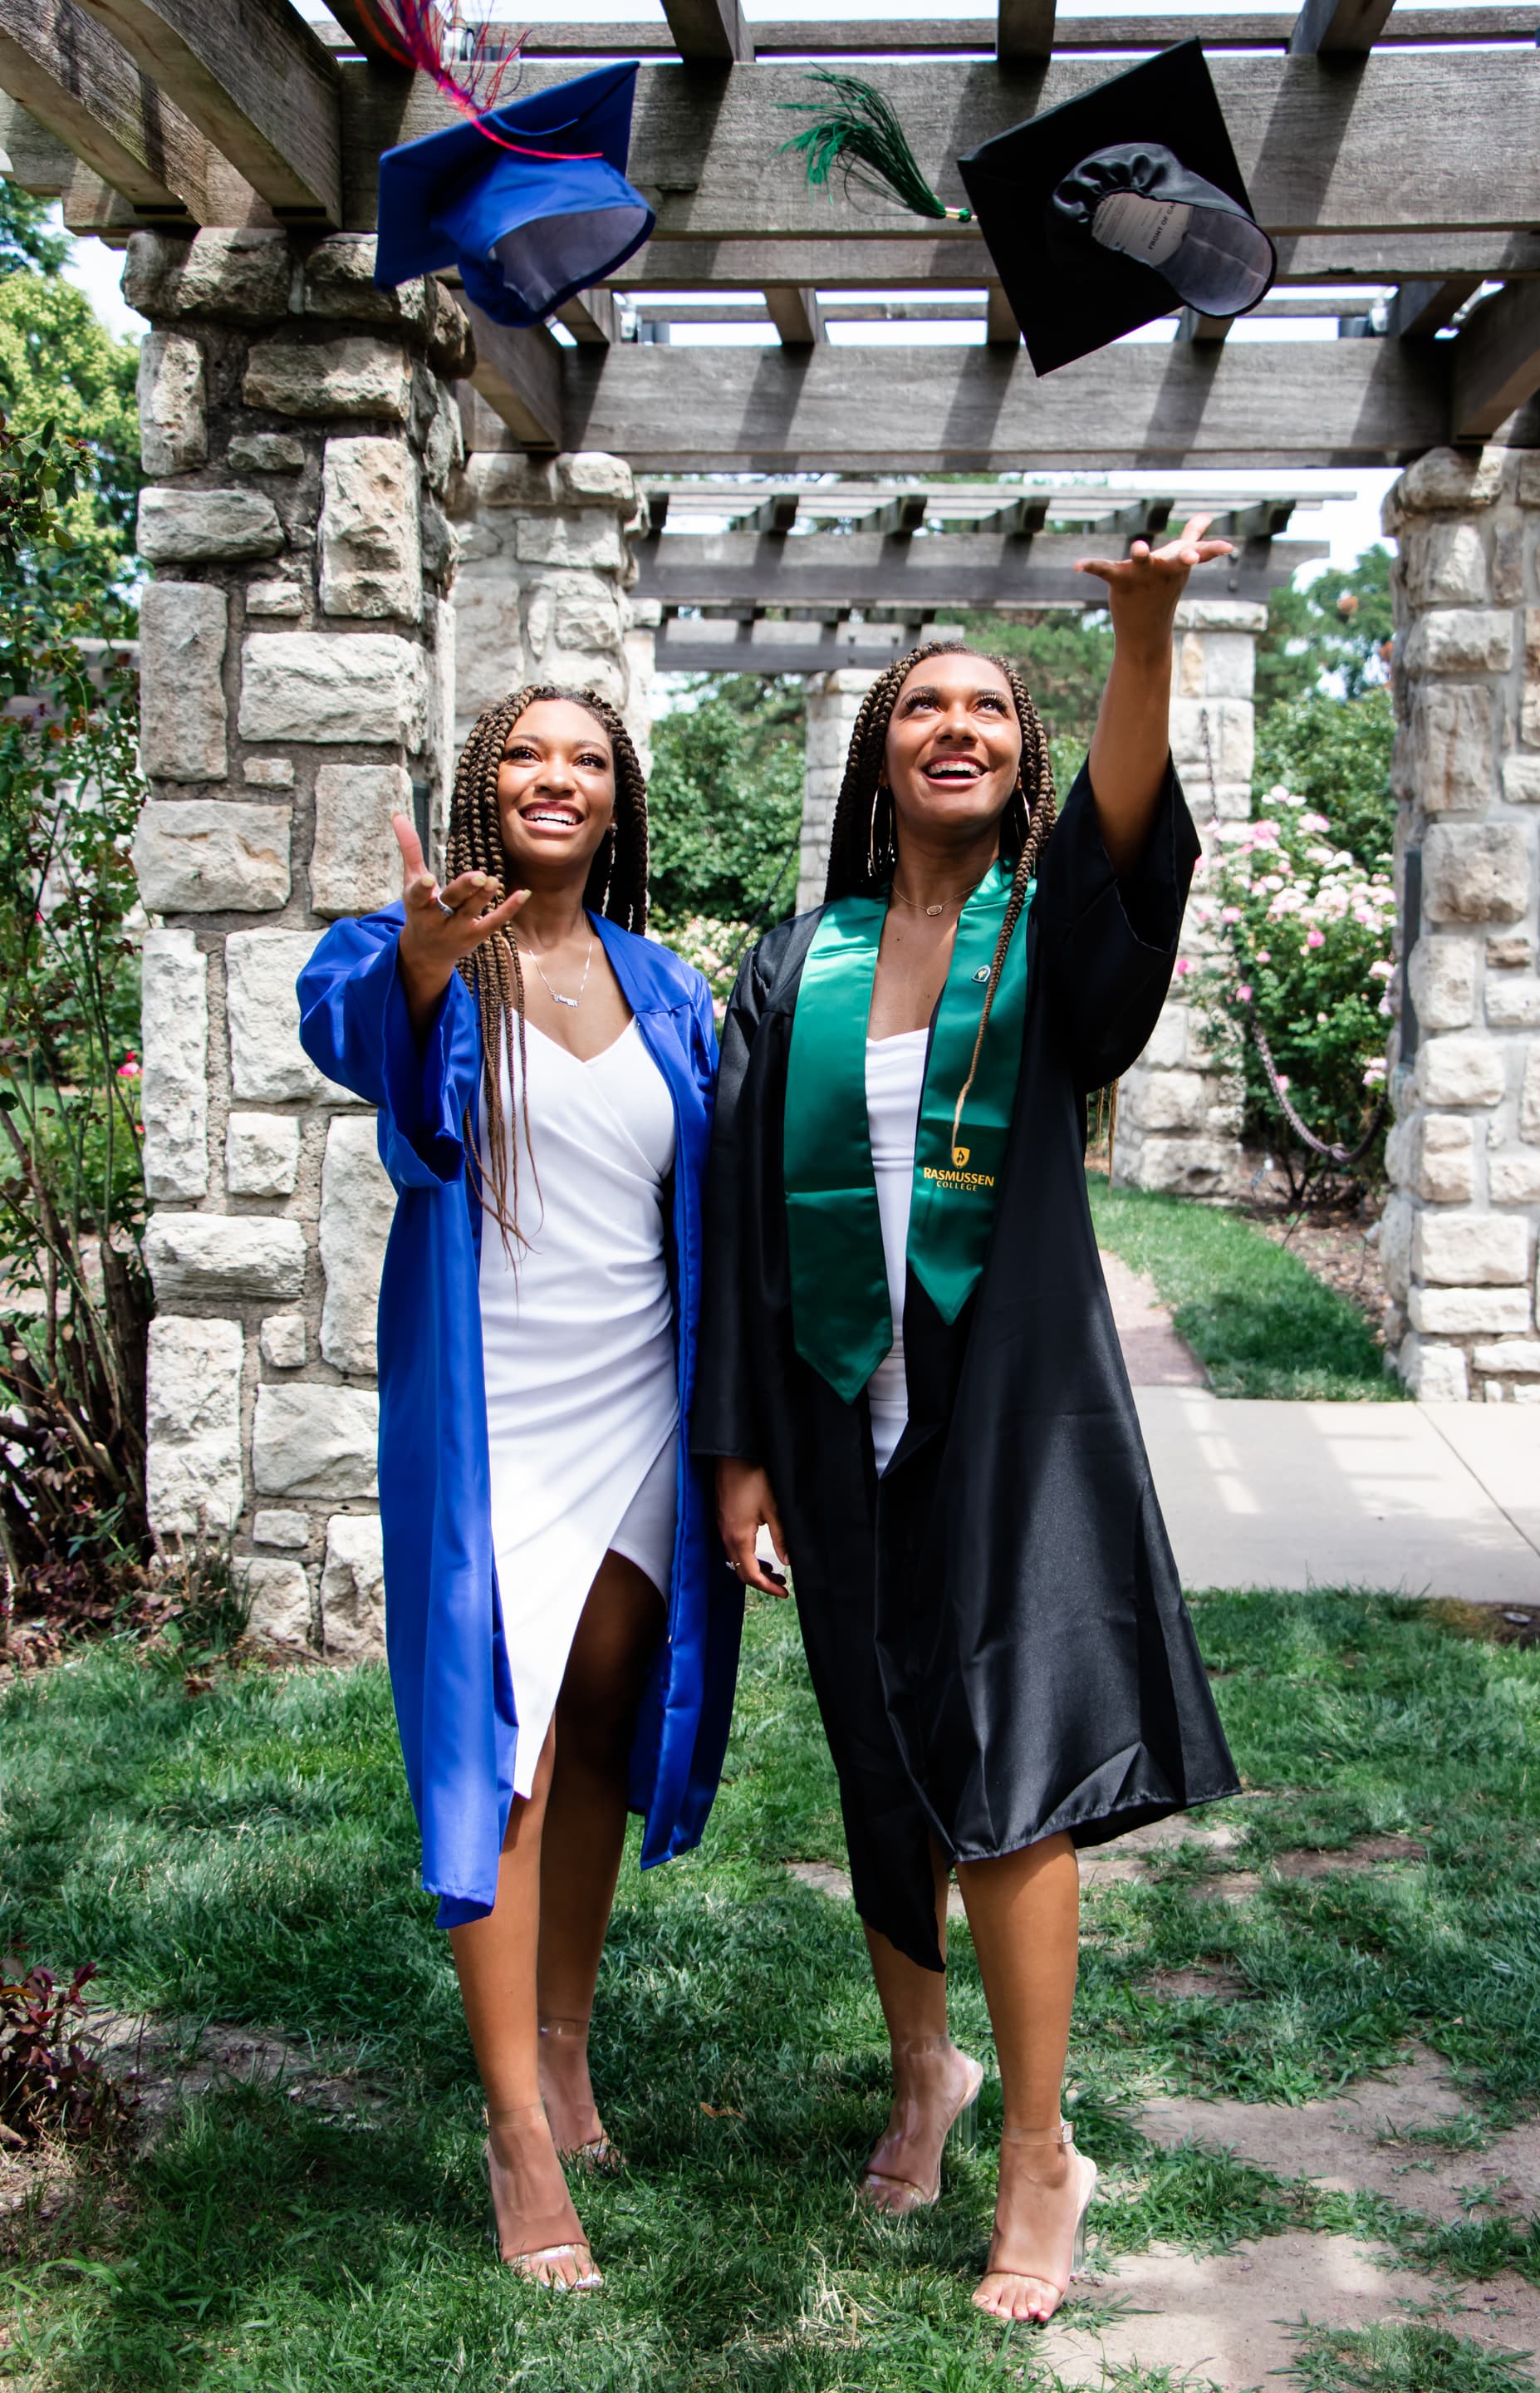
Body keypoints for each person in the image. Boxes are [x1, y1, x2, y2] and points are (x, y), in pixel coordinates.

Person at [694, 522, 1242, 2326]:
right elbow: (745, 1230)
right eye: (922, 705)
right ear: (881, 753)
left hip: (1008, 1412)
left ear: (1019, 755)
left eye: (989, 709)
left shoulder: (1046, 942)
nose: (956, 726)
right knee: (880, 1752)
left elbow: (1120, 861)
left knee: (1009, 1767)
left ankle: (1038, 2148)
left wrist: (1140, 641)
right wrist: (745, 1449)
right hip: (841, 1412)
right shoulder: (801, 963)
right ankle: (920, 2066)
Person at [299, 685, 738, 2294]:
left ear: (618, 801)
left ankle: (565, 2044)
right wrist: (424, 952)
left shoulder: (666, 988)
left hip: (637, 1405)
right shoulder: (428, 953)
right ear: (484, 786)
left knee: (611, 1714)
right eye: (526, 753)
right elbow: (356, 1030)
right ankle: (514, 2130)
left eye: (590, 757)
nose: (559, 776)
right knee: (507, 1753)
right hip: (494, 1420)